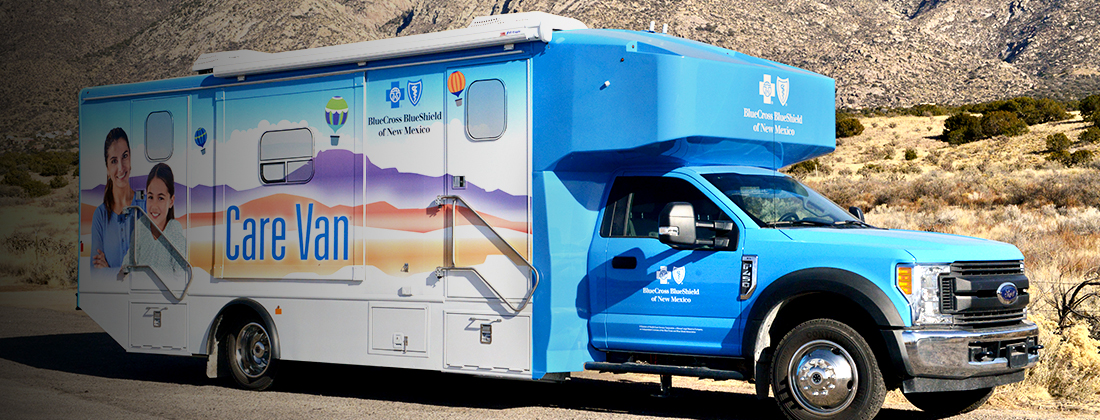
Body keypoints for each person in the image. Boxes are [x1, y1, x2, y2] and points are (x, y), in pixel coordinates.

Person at [91, 128, 144, 268]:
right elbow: (95, 272)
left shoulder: (144, 205)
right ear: (107, 168)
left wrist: (108, 271)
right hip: (111, 291)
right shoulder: (100, 215)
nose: (121, 168)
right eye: (114, 161)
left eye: (125, 156)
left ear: (131, 158)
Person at [130, 163, 186, 277]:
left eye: (161, 198)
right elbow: (128, 264)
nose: (154, 206)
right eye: (150, 197)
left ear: (171, 201)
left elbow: (181, 275)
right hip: (139, 292)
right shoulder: (140, 226)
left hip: (165, 294)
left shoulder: (174, 229)